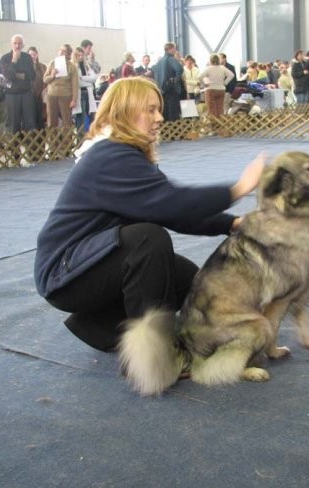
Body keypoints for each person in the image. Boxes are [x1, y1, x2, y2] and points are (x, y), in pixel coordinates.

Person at [34, 77, 266, 352]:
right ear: (124, 112)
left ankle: (99, 326)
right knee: (147, 240)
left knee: (189, 282)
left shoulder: (125, 154)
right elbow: (172, 203)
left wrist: (233, 224)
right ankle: (152, 354)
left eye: (159, 109)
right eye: (151, 109)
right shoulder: (110, 157)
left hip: (90, 260)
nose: (160, 118)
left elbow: (169, 211)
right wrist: (238, 189)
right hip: (64, 273)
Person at [0, 34, 36, 134]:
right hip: (12, 95)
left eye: (19, 43)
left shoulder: (27, 57)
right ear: (11, 44)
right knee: (13, 124)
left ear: (23, 45)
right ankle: (14, 148)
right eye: (15, 43)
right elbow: (8, 76)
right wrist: (14, 60)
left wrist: (16, 74)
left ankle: (31, 148)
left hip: (26, 93)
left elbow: (32, 75)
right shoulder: (5, 58)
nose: (17, 46)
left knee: (29, 123)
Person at [43, 44, 78, 129]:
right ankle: (53, 141)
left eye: (64, 51)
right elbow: (45, 79)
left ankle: (67, 142)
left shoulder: (72, 66)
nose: (61, 52)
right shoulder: (52, 63)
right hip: (52, 95)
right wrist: (52, 75)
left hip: (66, 95)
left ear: (68, 54)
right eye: (60, 50)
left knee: (67, 121)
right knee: (51, 121)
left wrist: (74, 99)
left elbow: (75, 84)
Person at [152, 42, 184, 122]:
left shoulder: (159, 62)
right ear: (170, 49)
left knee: (164, 112)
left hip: (161, 90)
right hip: (171, 89)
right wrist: (176, 79)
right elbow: (179, 68)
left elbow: (154, 72)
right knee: (173, 113)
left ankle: (165, 133)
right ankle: (175, 133)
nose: (175, 51)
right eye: (174, 48)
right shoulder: (170, 59)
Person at [197, 53, 234, 118]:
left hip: (210, 90)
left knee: (211, 109)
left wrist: (204, 84)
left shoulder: (208, 68)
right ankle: (220, 125)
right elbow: (232, 75)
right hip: (221, 90)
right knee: (220, 108)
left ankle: (213, 125)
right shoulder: (222, 68)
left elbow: (199, 77)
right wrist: (225, 83)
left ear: (210, 61)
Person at [72, 45, 98, 131]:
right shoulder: (73, 66)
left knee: (91, 117)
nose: (80, 57)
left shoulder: (86, 66)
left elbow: (94, 77)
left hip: (89, 93)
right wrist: (89, 82)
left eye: (82, 55)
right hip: (80, 95)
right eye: (78, 55)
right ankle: (80, 141)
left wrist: (83, 78)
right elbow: (77, 83)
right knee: (81, 120)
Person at [28, 46, 47, 130]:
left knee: (41, 118)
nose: (32, 56)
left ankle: (42, 140)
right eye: (30, 54)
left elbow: (46, 80)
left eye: (34, 54)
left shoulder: (43, 67)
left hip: (41, 96)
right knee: (31, 118)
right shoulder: (25, 67)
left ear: (37, 55)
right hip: (29, 96)